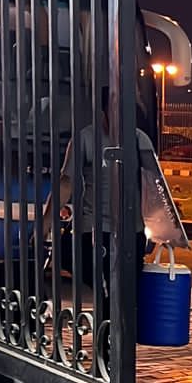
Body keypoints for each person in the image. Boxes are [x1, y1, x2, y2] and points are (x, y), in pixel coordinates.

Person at [43, 89, 153, 310]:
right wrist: (44, 226)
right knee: (104, 289)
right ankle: (107, 327)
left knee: (127, 295)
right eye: (114, 112)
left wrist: (160, 227)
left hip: (131, 230)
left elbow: (154, 184)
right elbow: (66, 183)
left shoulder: (139, 140)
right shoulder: (85, 139)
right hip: (95, 230)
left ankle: (116, 328)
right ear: (103, 112)